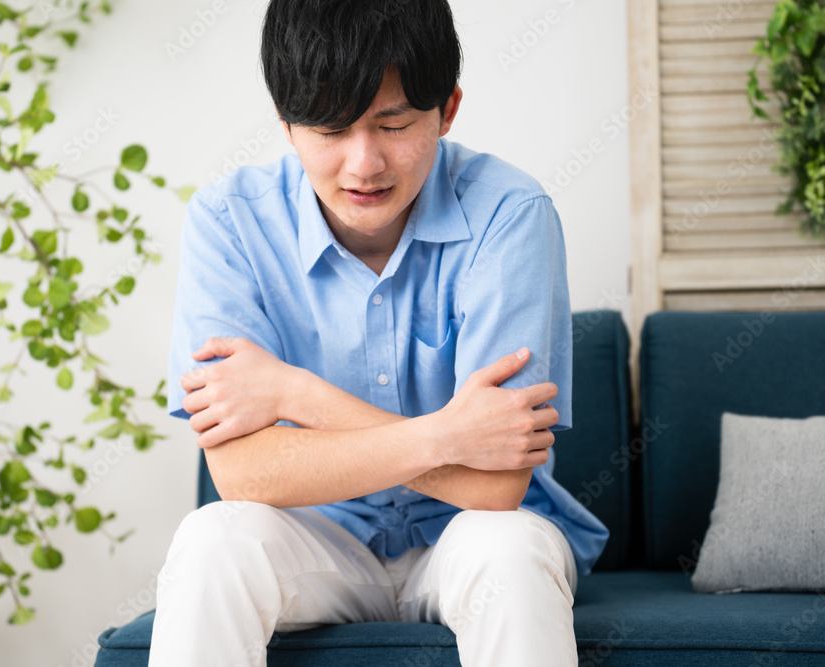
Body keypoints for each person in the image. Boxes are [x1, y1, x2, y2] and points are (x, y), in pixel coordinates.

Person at [148, 0, 609, 664]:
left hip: (473, 533)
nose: (364, 165)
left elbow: (493, 488)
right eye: (331, 129)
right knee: (209, 541)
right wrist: (449, 436)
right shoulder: (228, 222)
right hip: (315, 539)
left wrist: (295, 394)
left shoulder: (510, 213)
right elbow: (242, 472)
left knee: (508, 551)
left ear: (447, 110)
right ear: (286, 123)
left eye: (393, 125)